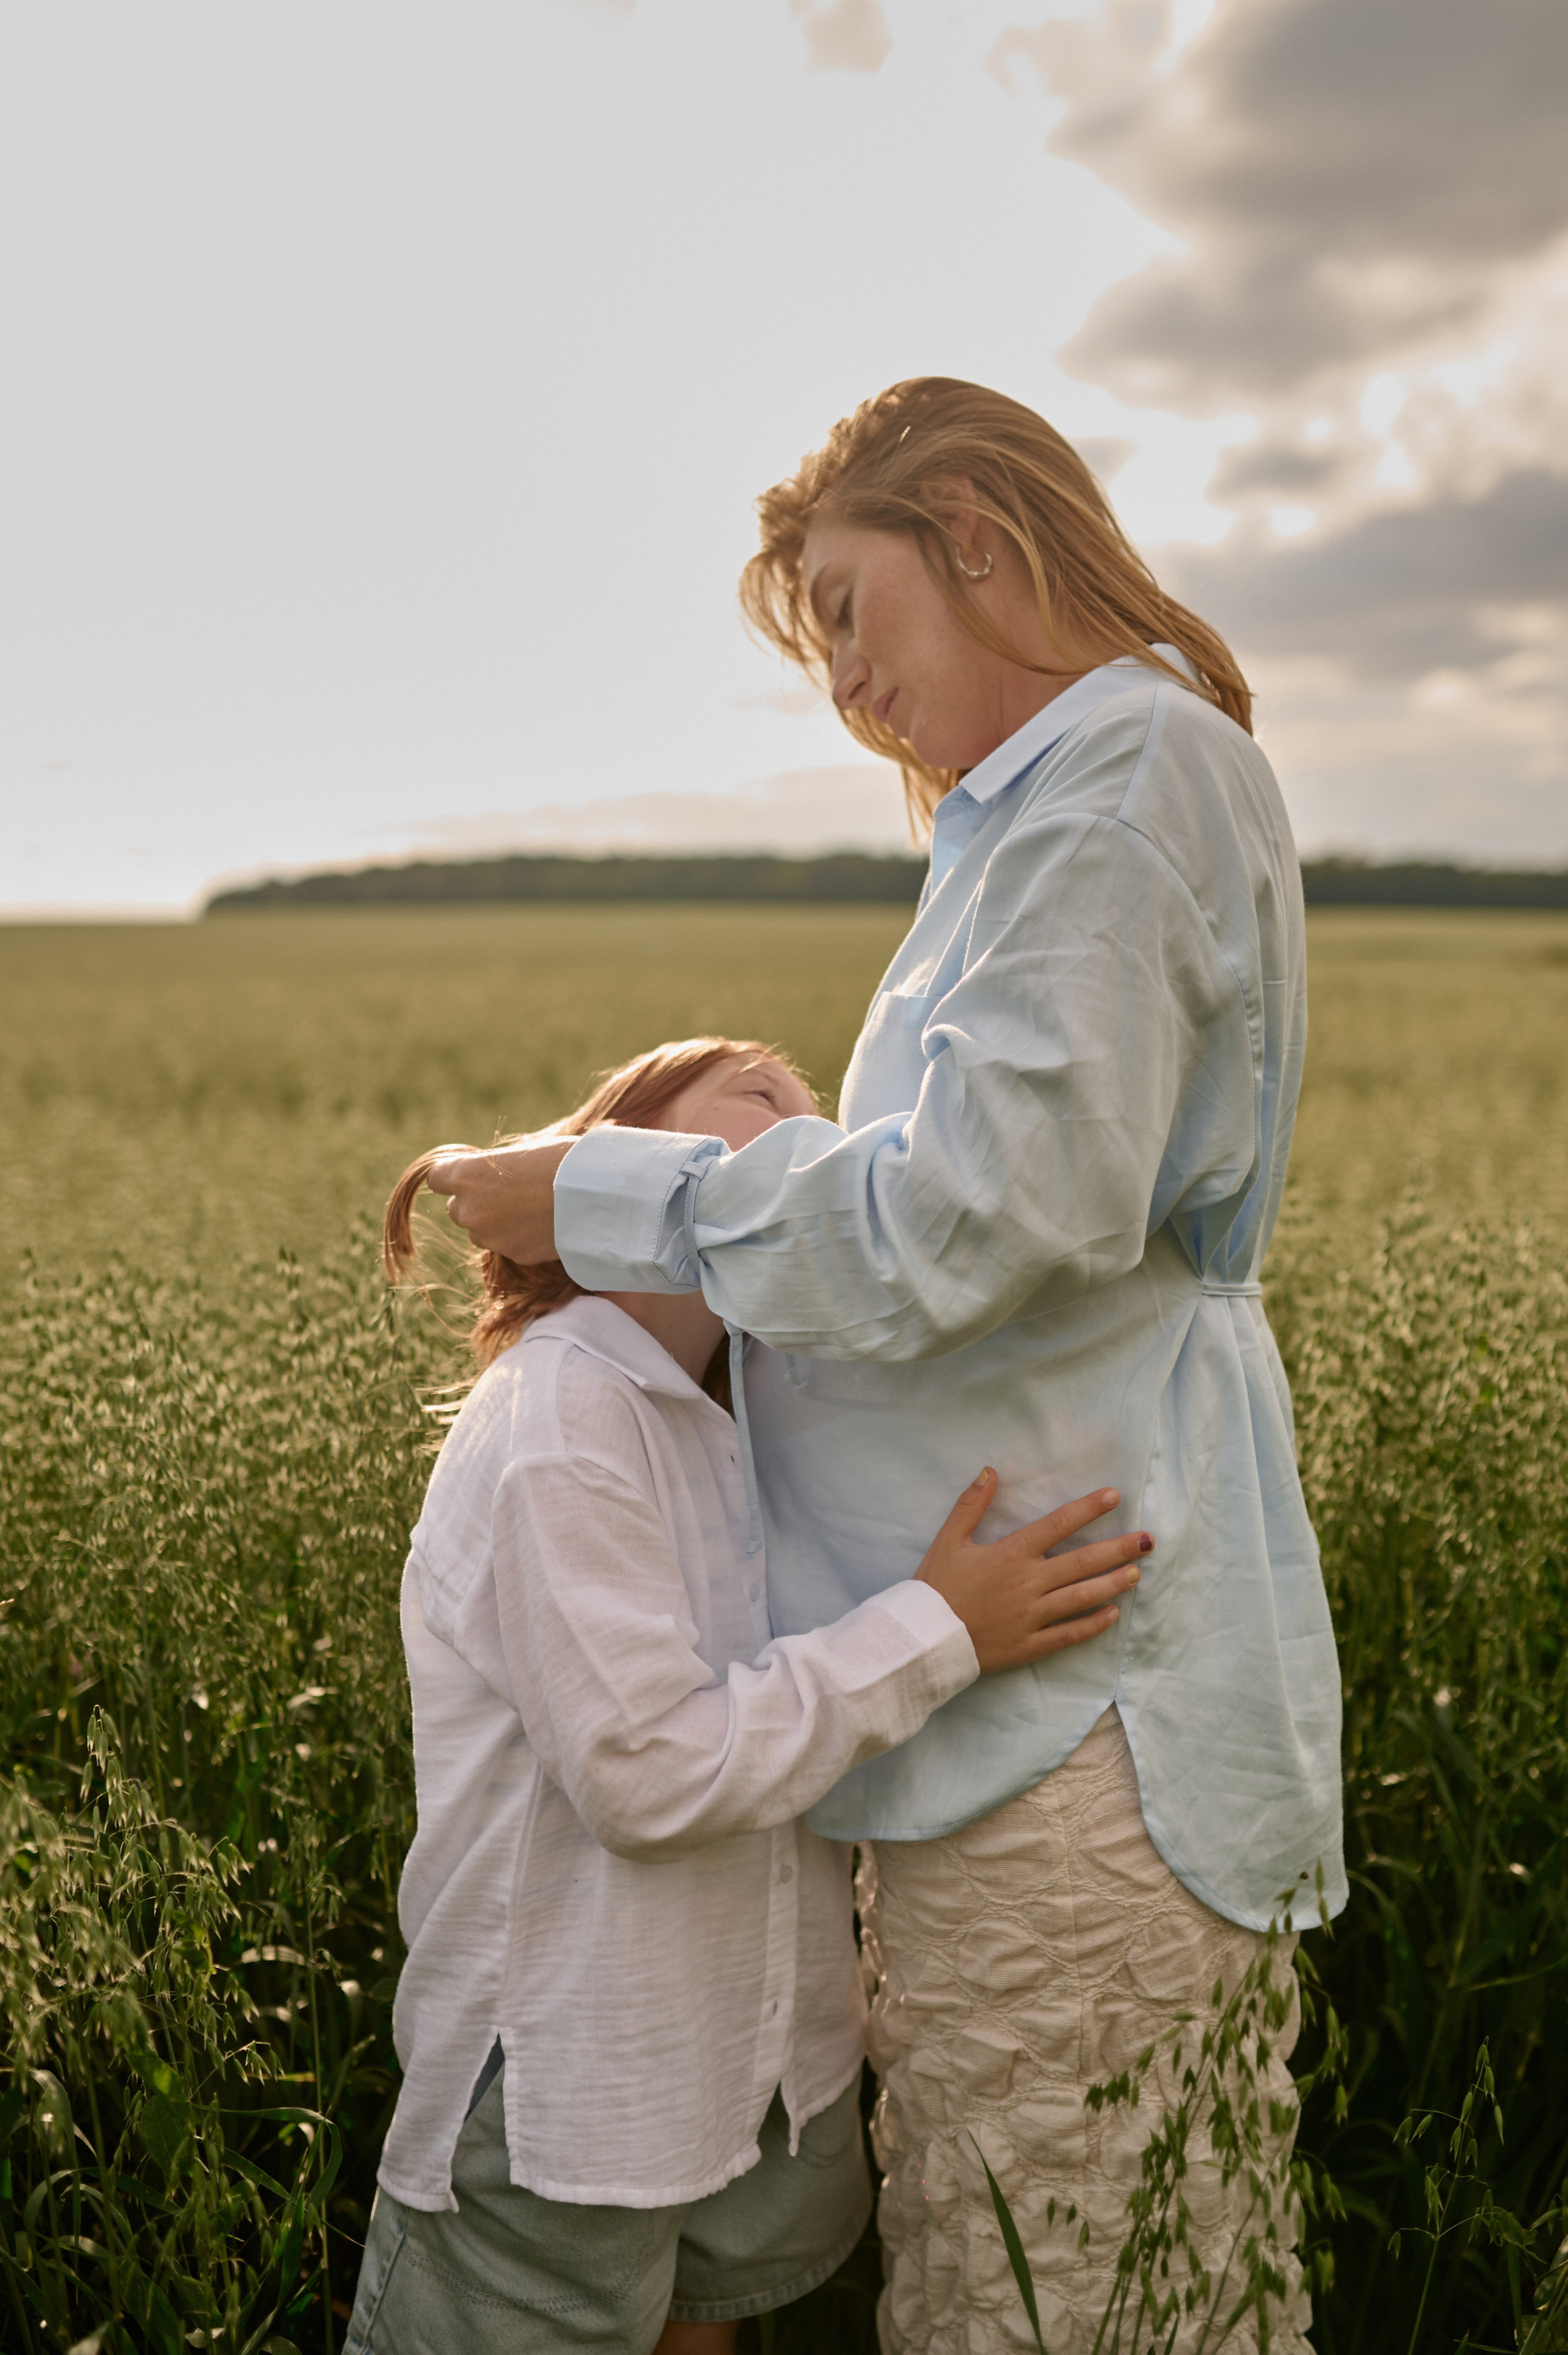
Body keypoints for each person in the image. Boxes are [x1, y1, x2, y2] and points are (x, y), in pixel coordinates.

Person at [421, 378, 1348, 2353]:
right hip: (1004, 1704)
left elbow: (968, 1216)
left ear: (983, 544)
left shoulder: (1121, 786)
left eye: (851, 608)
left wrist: (597, 1192)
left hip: (1079, 1709)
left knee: (1074, 2285)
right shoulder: (1049, 815)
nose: (842, 682)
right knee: (1017, 2266)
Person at [345, 1034, 1149, 2355]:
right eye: (768, 1099)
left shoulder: (730, 1421)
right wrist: (941, 1628)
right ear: (611, 1163)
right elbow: (649, 1773)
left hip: (736, 2065)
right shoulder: (566, 1413)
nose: (812, 1138)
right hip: (569, 2080)